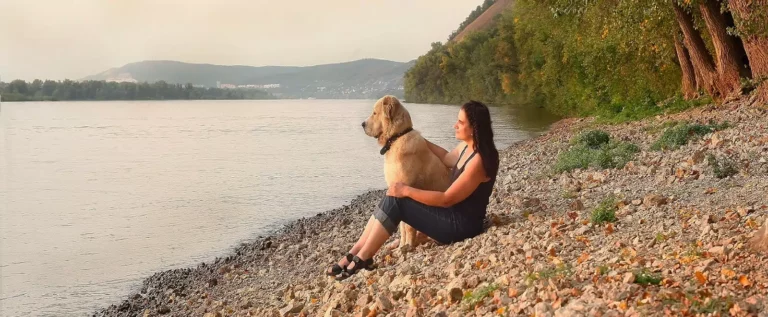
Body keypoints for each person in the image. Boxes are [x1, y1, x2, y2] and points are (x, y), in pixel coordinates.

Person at [326, 100, 500, 280]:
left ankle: (363, 257)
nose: (455, 125)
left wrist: (406, 191)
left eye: (461, 122)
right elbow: (445, 157)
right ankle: (355, 251)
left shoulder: (479, 161)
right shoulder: (467, 147)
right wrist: (409, 135)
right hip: (451, 216)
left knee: (398, 199)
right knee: (392, 195)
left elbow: (447, 198)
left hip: (460, 226)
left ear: (474, 128)